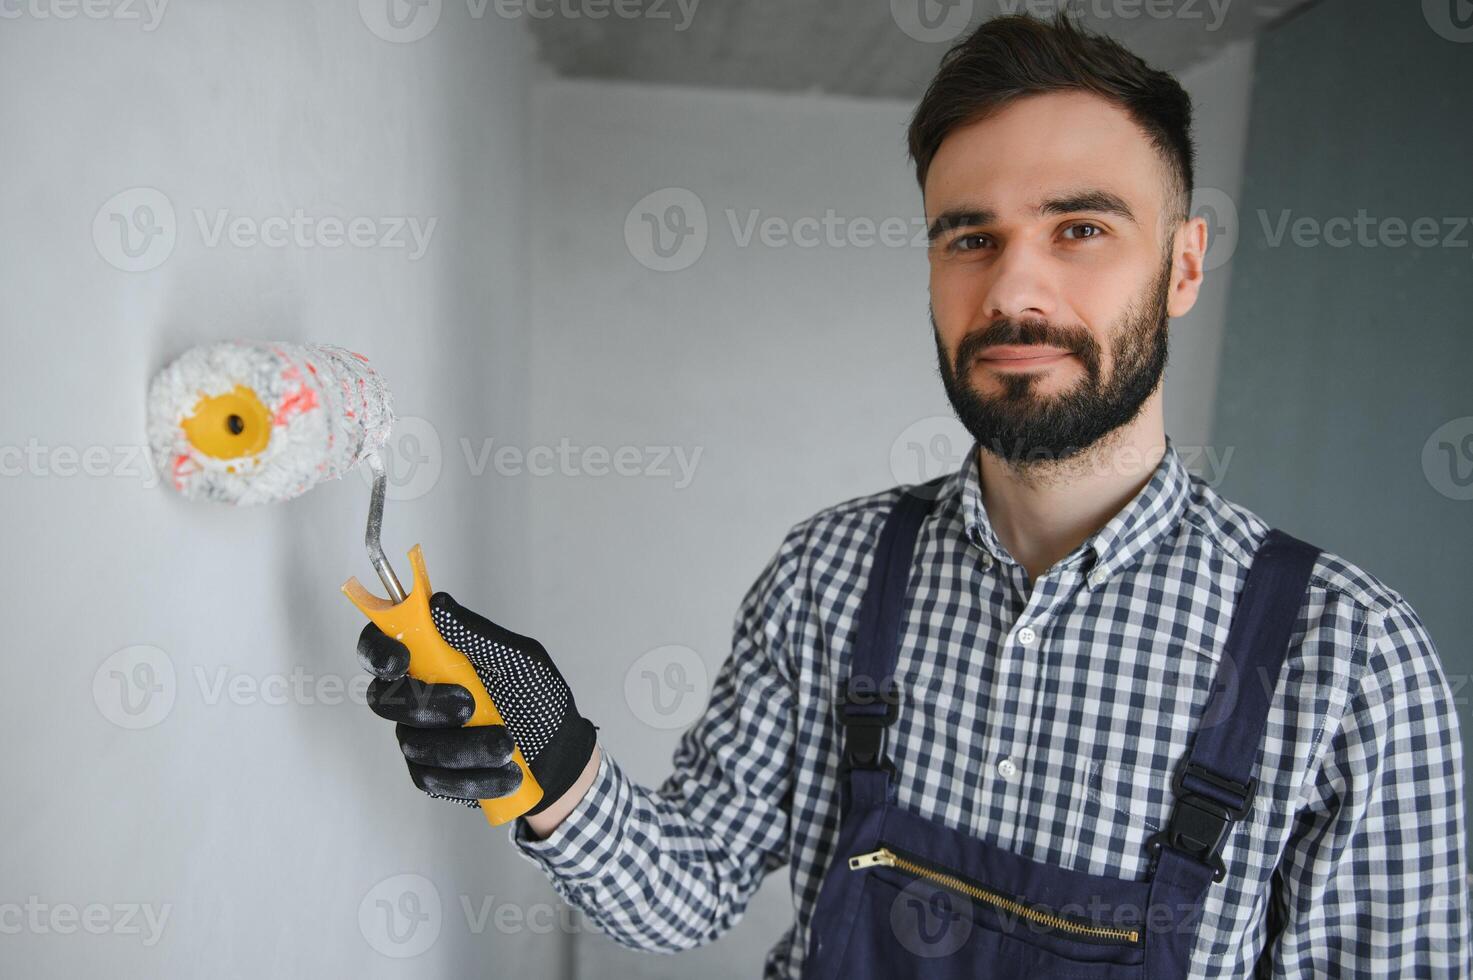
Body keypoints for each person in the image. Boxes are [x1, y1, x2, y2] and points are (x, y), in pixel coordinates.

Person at [355, 11, 1470, 977]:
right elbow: (684, 892)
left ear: (1182, 264)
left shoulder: (1352, 662)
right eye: (969, 237)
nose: (1015, 287)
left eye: (1080, 228)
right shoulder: (831, 573)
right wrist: (552, 754)